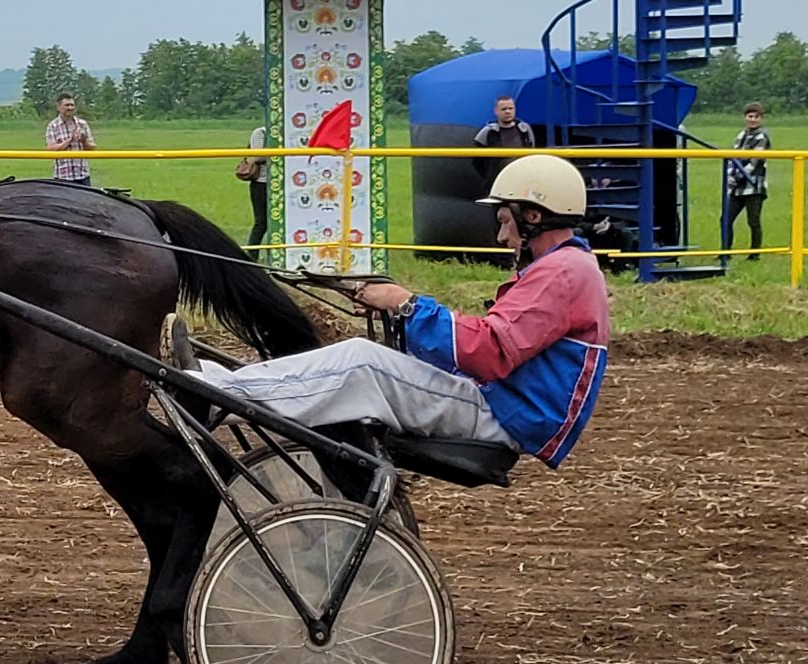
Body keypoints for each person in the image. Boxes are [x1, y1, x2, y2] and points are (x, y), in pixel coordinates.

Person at [166, 153, 609, 468]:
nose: (500, 236)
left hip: (507, 414)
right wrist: (396, 304)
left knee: (364, 362)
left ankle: (216, 394)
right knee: (369, 362)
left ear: (533, 216)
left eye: (505, 221)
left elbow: (487, 350)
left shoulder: (564, 272)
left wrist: (406, 303)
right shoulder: (567, 268)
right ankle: (222, 391)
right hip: (504, 403)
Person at [725, 101, 772, 261]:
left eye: (756, 117)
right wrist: (730, 176)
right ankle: (725, 252)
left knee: (753, 220)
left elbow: (755, 162)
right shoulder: (740, 136)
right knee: (726, 219)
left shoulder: (762, 137)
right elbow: (733, 157)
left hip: (754, 185)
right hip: (737, 187)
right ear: (745, 117)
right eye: (750, 116)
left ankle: (754, 254)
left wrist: (737, 177)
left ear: (761, 118)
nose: (753, 119)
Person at [472, 95, 536, 180]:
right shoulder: (487, 132)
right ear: (496, 111)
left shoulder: (525, 129)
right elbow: (477, 162)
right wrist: (489, 178)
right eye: (504, 109)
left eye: (510, 108)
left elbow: (531, 153)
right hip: (497, 181)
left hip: (522, 178)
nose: (508, 112)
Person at [45, 93, 95, 184]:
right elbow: (51, 149)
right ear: (58, 107)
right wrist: (69, 140)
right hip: (62, 176)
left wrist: (84, 141)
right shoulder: (52, 126)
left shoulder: (82, 124)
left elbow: (92, 148)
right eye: (67, 105)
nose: (70, 108)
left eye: (72, 105)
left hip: (82, 175)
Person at [236, 124, 271, 256]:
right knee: (261, 222)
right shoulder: (260, 133)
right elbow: (256, 157)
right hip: (261, 183)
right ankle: (252, 255)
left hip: (278, 184)